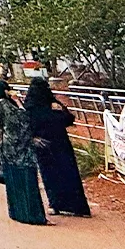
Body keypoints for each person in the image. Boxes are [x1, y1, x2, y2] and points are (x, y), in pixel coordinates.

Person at [26, 77, 91, 217]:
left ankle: (56, 204)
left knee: (50, 176)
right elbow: (68, 119)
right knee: (68, 173)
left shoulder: (30, 106)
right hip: (59, 143)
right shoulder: (51, 104)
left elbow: (26, 125)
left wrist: (33, 138)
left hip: (43, 144)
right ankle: (76, 207)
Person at [0, 79, 48, 225]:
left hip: (7, 147)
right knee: (27, 179)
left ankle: (18, 212)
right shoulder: (4, 104)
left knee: (14, 181)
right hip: (19, 148)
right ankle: (32, 214)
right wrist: (18, 102)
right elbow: (22, 119)